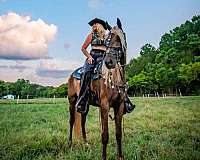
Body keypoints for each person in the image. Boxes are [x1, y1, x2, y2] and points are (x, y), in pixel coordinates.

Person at [75, 18, 135, 114]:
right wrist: (89, 57)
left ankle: (125, 99)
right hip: (93, 57)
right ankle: (82, 99)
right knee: (86, 72)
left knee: (118, 70)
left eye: (95, 24)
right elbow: (83, 48)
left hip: (104, 57)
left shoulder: (107, 36)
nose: (93, 26)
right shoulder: (91, 36)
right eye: (93, 25)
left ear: (101, 26)